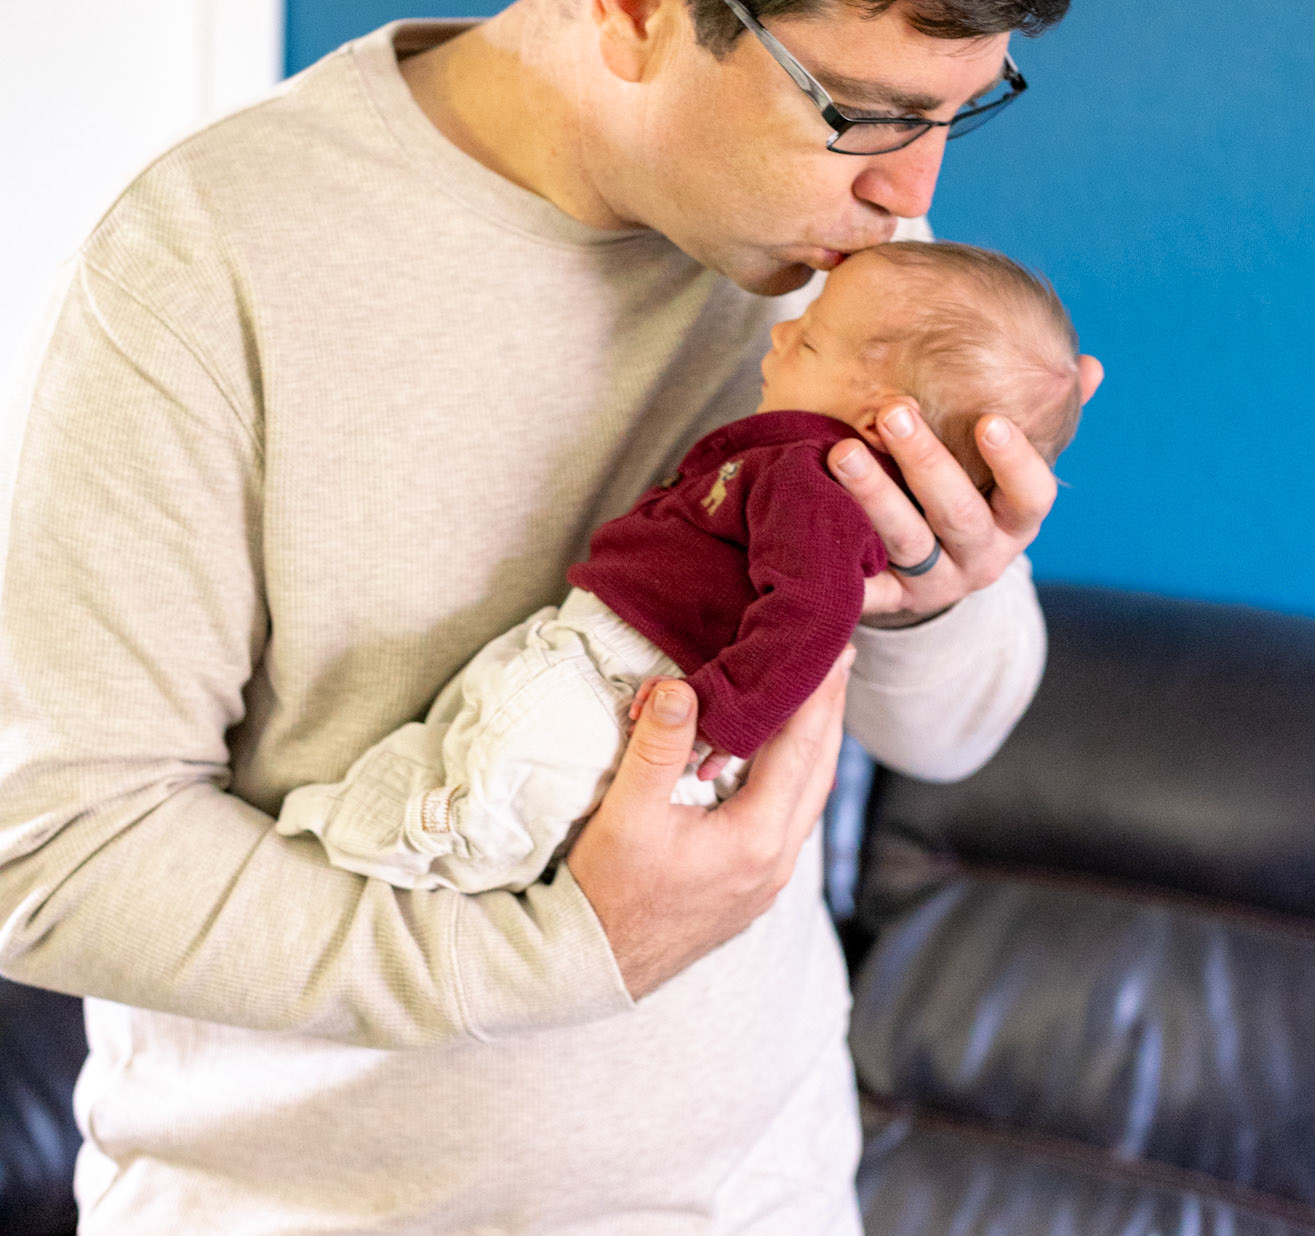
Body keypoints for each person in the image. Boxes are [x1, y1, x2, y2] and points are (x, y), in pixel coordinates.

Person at [0, 0, 1101, 1236]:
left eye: (966, 110)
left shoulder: (844, 263)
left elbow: (955, 733)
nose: (912, 193)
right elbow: (57, 851)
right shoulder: (210, 260)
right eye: (867, 112)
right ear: (638, 1)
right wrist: (549, 957)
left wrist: (937, 593)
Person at [275, 240, 1084, 896]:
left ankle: (435, 858)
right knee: (481, 729)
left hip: (637, 681)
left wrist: (725, 720)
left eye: (806, 340)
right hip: (596, 649)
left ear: (882, 422)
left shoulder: (813, 483)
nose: (778, 335)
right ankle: (375, 819)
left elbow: (814, 610)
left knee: (520, 764)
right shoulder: (794, 457)